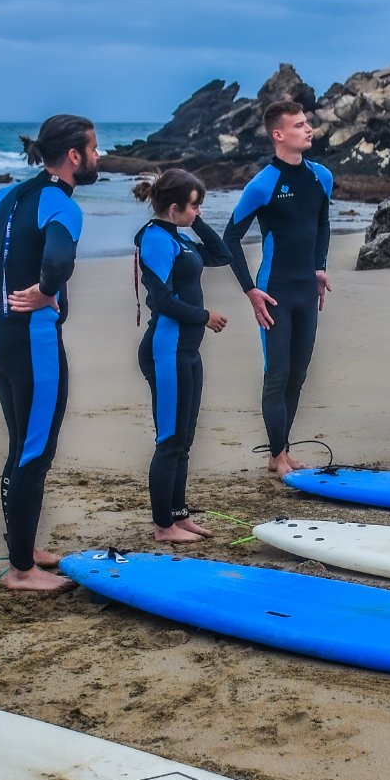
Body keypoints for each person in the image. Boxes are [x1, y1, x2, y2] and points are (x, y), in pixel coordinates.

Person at [0, 114, 98, 591]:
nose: (98, 156)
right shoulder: (60, 204)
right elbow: (58, 259)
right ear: (74, 156)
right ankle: (22, 571)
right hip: (32, 343)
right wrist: (48, 289)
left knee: (21, 446)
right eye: (94, 148)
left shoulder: (12, 196)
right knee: (34, 452)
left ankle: (23, 548)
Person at [222, 99, 333, 476]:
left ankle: (278, 453)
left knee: (298, 374)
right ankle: (278, 454)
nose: (308, 128)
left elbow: (322, 224)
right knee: (278, 372)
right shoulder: (263, 183)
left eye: (307, 122)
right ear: (278, 134)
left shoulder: (321, 176)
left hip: (306, 289)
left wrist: (320, 268)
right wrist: (250, 290)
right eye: (299, 124)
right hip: (275, 292)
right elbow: (230, 237)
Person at [132, 168, 230, 544]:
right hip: (166, 350)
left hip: (187, 351)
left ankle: (178, 515)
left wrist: (199, 221)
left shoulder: (179, 238)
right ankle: (162, 526)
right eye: (194, 205)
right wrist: (205, 317)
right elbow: (163, 300)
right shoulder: (156, 240)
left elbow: (220, 255)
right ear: (174, 207)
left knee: (184, 439)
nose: (198, 210)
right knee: (170, 439)